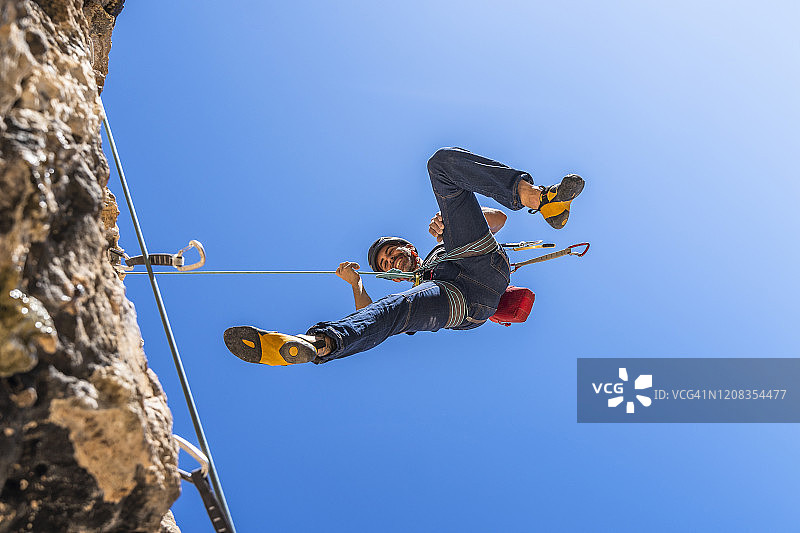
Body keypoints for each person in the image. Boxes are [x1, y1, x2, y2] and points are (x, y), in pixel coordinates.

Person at [224, 147, 584, 366]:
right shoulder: (416, 284)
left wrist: (450, 226)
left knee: (440, 164)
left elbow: (498, 220)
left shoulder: (440, 244)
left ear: (409, 249)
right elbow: (374, 314)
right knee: (395, 311)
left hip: (474, 259)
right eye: (386, 265)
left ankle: (540, 198)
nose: (392, 262)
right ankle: (317, 344)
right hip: (460, 301)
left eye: (392, 254)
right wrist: (358, 283)